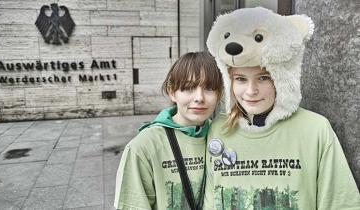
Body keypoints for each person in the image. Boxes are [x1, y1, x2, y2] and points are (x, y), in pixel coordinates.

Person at [204, 8, 360, 210]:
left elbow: (341, 203)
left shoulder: (316, 130)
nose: (251, 91)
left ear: (282, 79)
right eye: (241, 79)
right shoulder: (219, 129)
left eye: (263, 78)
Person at [114, 51, 223, 210]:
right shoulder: (144, 146)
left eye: (209, 88)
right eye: (188, 87)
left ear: (219, 93)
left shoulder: (222, 138)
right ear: (172, 92)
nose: (199, 97)